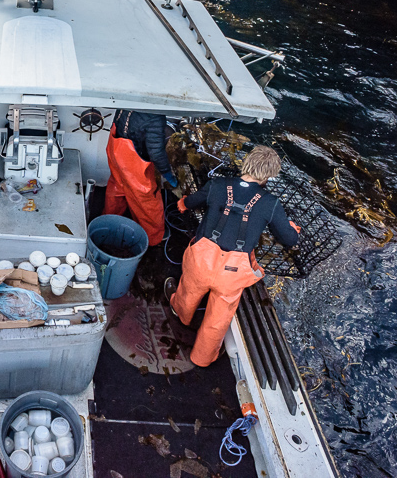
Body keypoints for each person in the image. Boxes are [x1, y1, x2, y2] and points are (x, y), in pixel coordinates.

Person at [165, 145, 300, 367]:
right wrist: (292, 228)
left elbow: (191, 202)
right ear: (268, 176)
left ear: (246, 163)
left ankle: (182, 314)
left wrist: (182, 203)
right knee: (217, 320)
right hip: (232, 274)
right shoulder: (271, 203)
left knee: (189, 290)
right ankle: (202, 358)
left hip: (201, 262)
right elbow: (290, 239)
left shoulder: (217, 185)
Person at [104, 110, 179, 246]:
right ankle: (153, 236)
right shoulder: (155, 117)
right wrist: (167, 173)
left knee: (117, 187)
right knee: (147, 199)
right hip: (133, 163)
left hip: (116, 152)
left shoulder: (127, 102)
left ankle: (107, 223)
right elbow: (156, 152)